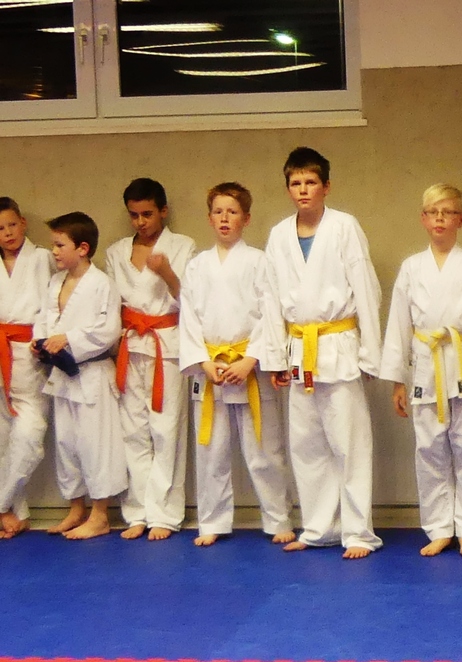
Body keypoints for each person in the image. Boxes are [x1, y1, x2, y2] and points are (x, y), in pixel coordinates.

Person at [263, 147, 384, 559]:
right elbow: (270, 298)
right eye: (295, 183)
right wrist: (276, 357)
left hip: (339, 346)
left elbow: (366, 288)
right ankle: (319, 528)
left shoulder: (344, 227)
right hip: (300, 349)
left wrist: (370, 353)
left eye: (311, 182)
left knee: (350, 445)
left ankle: (358, 532)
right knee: (307, 445)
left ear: (326, 186)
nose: (303, 190)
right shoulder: (278, 235)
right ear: (287, 188)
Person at [381, 184, 462, 557]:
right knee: (429, 448)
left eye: (447, 212)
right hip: (425, 365)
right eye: (433, 212)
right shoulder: (411, 267)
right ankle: (438, 527)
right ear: (423, 218)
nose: (439, 219)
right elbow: (398, 323)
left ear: (460, 219)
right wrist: (397, 379)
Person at [179, 182, 293, 547]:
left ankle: (278, 519)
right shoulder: (196, 266)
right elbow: (188, 318)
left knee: (264, 450)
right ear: (209, 218)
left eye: (232, 212)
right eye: (218, 212)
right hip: (211, 367)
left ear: (246, 218)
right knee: (210, 451)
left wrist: (251, 359)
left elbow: (271, 313)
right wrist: (203, 361)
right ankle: (212, 521)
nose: (224, 218)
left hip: (249, 366)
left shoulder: (260, 261)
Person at [105, 177, 195, 541]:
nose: (140, 222)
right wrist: (113, 347)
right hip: (130, 345)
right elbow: (111, 304)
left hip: (166, 346)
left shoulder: (182, 246)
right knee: (134, 432)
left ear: (163, 211)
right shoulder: (116, 252)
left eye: (147, 214)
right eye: (134, 215)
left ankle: (165, 514)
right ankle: (137, 511)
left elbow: (192, 301)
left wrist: (167, 273)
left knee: (166, 430)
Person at [33, 212, 126, 539]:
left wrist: (69, 339)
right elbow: (44, 319)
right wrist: (40, 340)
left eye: (60, 245)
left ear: (83, 248)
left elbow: (109, 331)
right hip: (62, 374)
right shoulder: (56, 282)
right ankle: (76, 508)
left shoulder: (102, 284)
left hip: (92, 374)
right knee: (67, 444)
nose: (54, 252)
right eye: (53, 245)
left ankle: (100, 515)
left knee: (95, 445)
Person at [0, 198, 53, 538]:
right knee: (2, 437)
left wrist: (46, 339)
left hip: (29, 354)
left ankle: (1, 504)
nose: (7, 233)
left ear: (23, 222)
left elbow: (57, 302)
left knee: (29, 435)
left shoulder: (43, 259)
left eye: (11, 225)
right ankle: (15, 513)